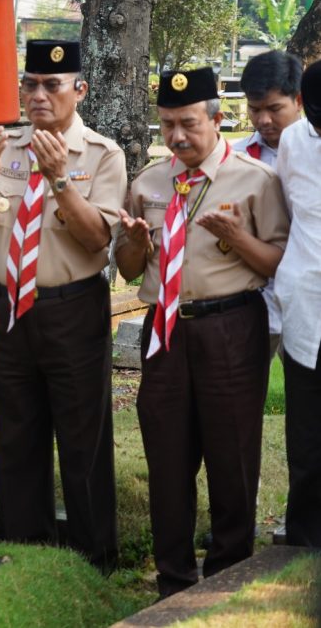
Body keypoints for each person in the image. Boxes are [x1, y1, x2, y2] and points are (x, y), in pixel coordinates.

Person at [115, 66, 289, 598]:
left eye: (188, 123)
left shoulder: (255, 180)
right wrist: (135, 246)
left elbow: (277, 263)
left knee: (232, 453)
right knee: (166, 452)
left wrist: (238, 236)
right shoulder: (148, 182)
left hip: (231, 326)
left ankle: (228, 575)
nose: (177, 136)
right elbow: (128, 269)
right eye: (167, 124)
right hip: (165, 327)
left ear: (217, 120)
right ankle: (172, 579)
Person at [0, 39, 125, 570]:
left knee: (83, 439)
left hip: (71, 308)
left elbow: (96, 241)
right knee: (15, 435)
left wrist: (59, 180)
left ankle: (93, 559)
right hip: (9, 307)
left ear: (79, 90)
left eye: (52, 85)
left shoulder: (101, 154)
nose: (38, 95)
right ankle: (27, 556)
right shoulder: (5, 147)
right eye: (30, 84)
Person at [274, 59, 321, 547]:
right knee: (305, 440)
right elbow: (289, 210)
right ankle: (304, 543)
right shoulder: (293, 142)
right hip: (307, 311)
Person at [233, 50, 303, 358]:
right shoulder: (235, 158)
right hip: (254, 297)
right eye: (254, 109)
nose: (263, 120)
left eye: (274, 108)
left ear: (299, 100)